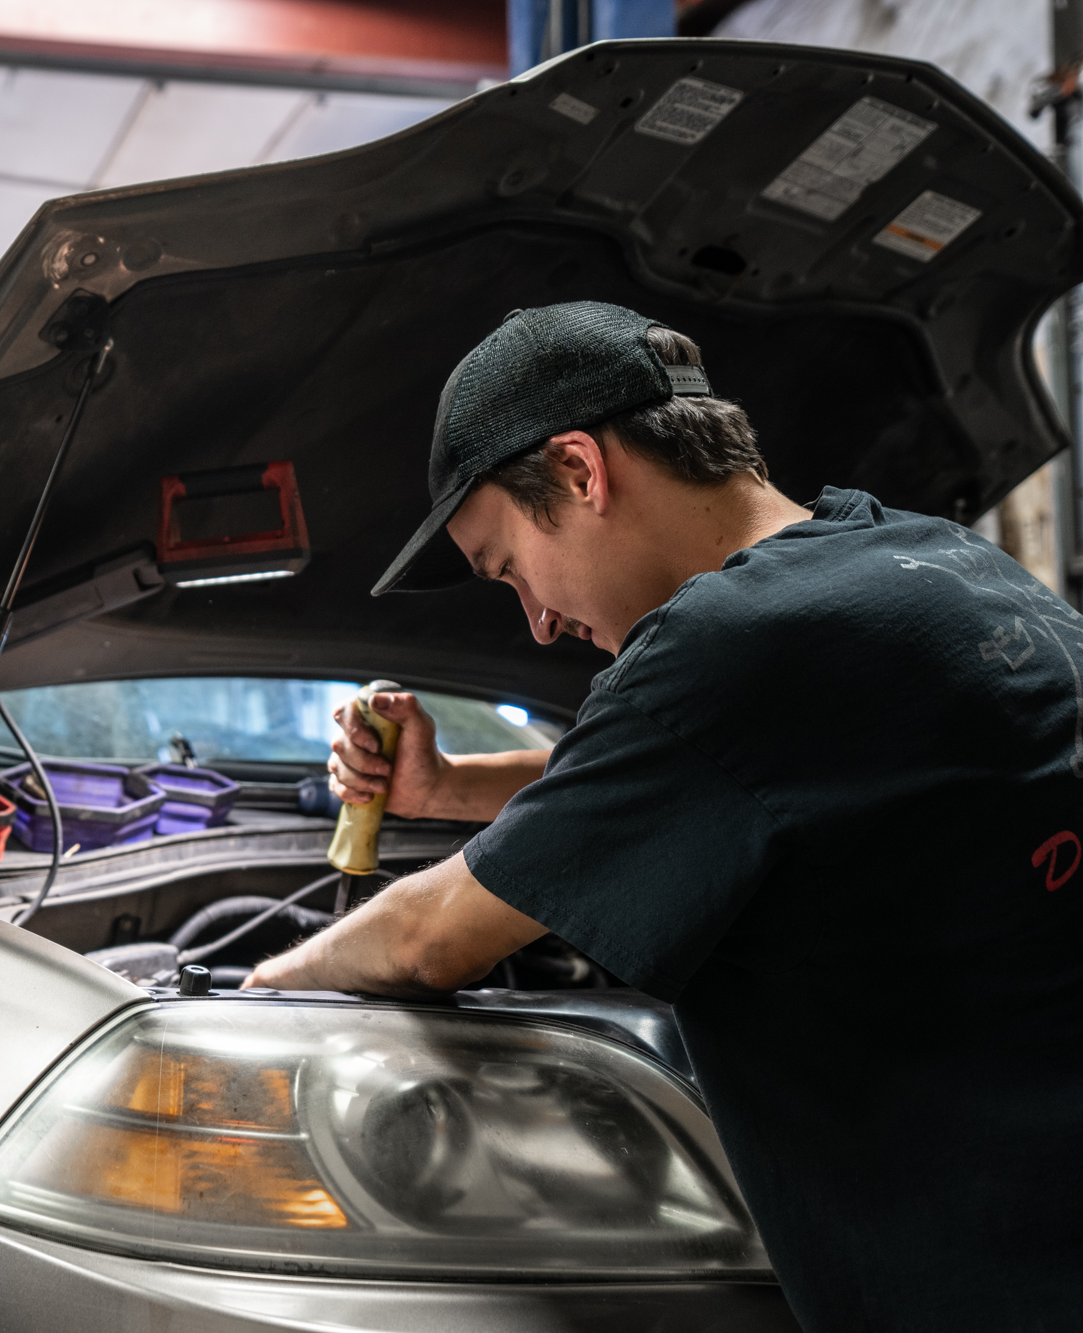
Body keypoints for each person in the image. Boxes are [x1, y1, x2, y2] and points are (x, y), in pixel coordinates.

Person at [246, 302, 1082, 1330]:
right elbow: (743, 770)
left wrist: (253, 989)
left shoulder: (724, 644)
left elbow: (429, 940)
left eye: (508, 567)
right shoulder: (916, 559)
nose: (536, 622)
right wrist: (447, 788)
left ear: (578, 471)